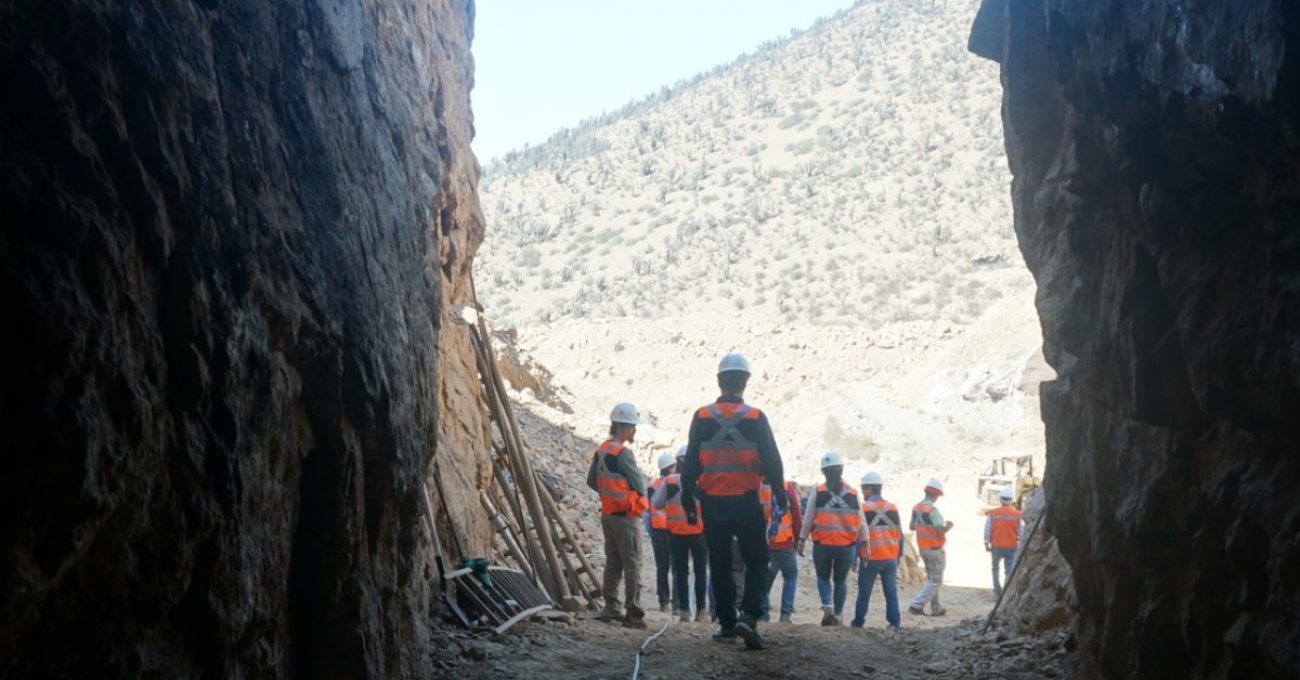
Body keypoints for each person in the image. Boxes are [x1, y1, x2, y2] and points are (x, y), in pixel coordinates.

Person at [680, 353, 787, 650]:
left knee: (720, 563)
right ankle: (750, 616)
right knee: (756, 560)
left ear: (719, 380)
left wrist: (688, 499)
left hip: (712, 503)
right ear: (745, 382)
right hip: (747, 503)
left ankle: (727, 623)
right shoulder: (755, 418)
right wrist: (779, 493)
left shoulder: (701, 417)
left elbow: (690, 464)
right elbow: (772, 460)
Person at [586, 402, 649, 628]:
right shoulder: (623, 453)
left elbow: (591, 481)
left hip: (608, 515)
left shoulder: (602, 448)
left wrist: (609, 494)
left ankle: (611, 608)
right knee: (632, 564)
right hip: (625, 517)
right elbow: (640, 485)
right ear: (623, 427)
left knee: (613, 562)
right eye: (633, 427)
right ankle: (633, 614)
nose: (634, 431)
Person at [797, 451, 866, 626]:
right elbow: (862, 522)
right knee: (841, 580)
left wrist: (802, 539)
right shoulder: (853, 493)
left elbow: (808, 518)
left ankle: (827, 606)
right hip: (847, 546)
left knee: (823, 577)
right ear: (841, 470)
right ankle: (838, 614)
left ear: (824, 472)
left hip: (823, 544)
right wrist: (865, 545)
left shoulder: (817, 492)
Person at [851, 471, 903, 629]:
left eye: (863, 489)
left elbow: (857, 536)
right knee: (891, 593)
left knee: (864, 593)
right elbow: (900, 535)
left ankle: (858, 623)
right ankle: (894, 623)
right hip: (890, 557)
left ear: (869, 489)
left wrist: (855, 558)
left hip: (870, 558)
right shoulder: (893, 508)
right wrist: (898, 556)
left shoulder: (863, 509)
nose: (862, 492)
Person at [908, 478, 953, 617]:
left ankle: (936, 608)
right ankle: (916, 605)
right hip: (935, 549)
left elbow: (911, 526)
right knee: (936, 580)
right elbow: (940, 530)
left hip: (923, 548)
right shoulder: (932, 510)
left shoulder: (916, 508)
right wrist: (949, 526)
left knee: (932, 579)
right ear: (936, 495)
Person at [763, 480, 802, 623]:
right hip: (785, 543)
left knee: (765, 580)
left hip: (766, 544)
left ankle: (763, 614)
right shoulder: (786, 487)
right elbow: (796, 514)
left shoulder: (757, 484)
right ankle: (785, 615)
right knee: (791, 576)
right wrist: (798, 538)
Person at [647, 451, 678, 613]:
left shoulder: (651, 485)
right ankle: (677, 604)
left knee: (662, 567)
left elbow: (647, 513)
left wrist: (650, 531)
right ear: (671, 467)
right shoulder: (675, 482)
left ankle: (663, 601)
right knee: (677, 567)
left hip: (658, 531)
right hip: (674, 530)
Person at [985, 487, 1024, 599]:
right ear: (1011, 500)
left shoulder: (993, 513)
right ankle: (1007, 593)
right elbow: (1021, 532)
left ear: (1000, 499)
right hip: (1011, 546)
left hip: (996, 546)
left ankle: (997, 592)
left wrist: (986, 543)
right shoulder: (1017, 515)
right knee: (1009, 570)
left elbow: (987, 530)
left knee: (995, 568)